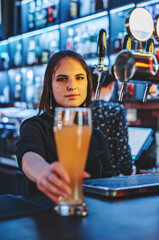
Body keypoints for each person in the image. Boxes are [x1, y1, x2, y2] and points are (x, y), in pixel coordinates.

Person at [16, 50, 112, 204]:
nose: (71, 86)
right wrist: (43, 173)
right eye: (62, 79)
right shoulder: (34, 127)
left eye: (79, 78)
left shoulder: (97, 136)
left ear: (88, 83)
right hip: (48, 218)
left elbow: (109, 184)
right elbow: (28, 156)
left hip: (92, 219)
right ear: (50, 86)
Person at [91, 69, 133, 176]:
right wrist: (130, 170)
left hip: (83, 174)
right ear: (112, 85)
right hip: (109, 175)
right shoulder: (116, 109)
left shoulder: (79, 109)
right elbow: (123, 150)